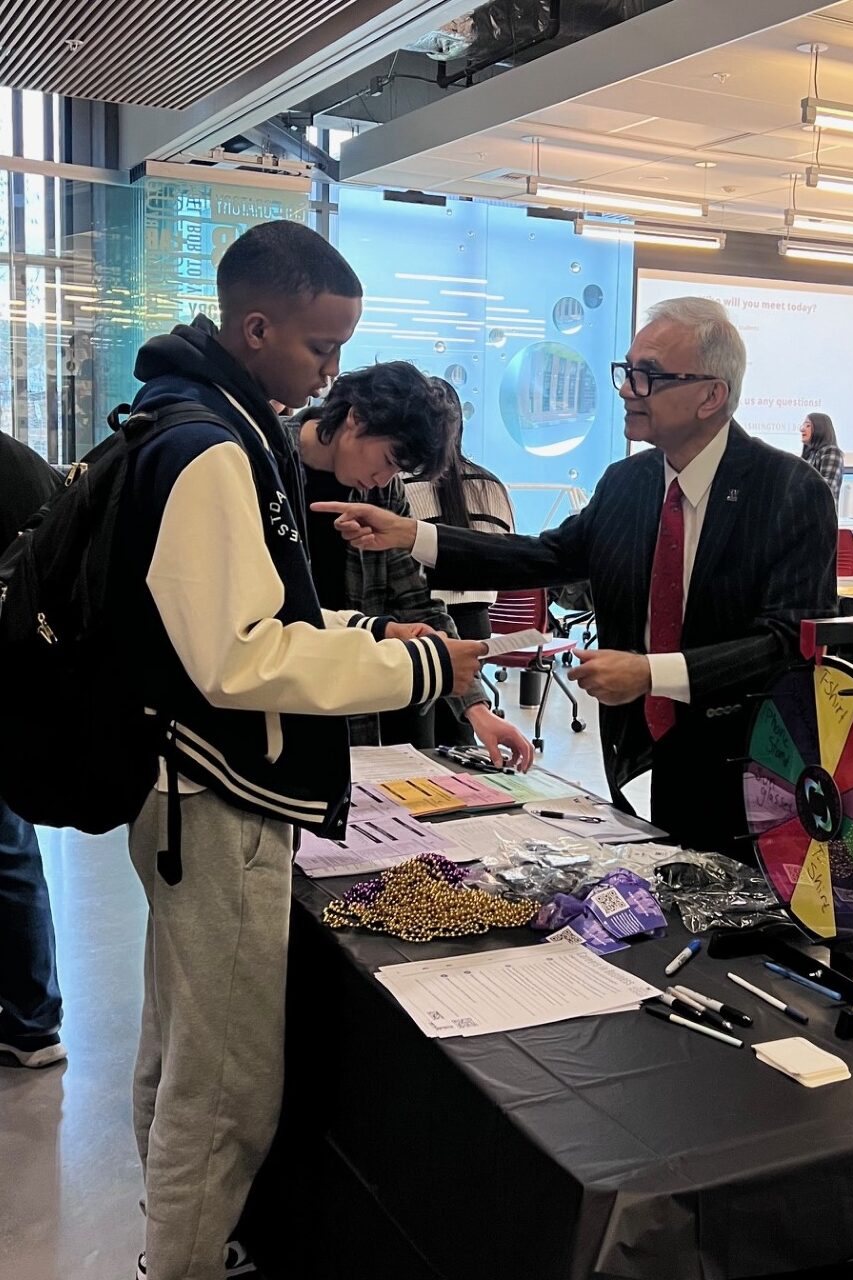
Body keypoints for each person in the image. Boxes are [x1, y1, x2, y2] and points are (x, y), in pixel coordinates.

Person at [115, 220, 486, 1280]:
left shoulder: (211, 422)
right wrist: (417, 674)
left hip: (194, 784)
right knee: (225, 1080)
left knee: (182, 1042)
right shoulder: (206, 446)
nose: (332, 374)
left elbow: (267, 616)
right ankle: (182, 1261)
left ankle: (172, 1237)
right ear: (258, 324)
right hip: (211, 792)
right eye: (323, 350)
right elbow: (239, 658)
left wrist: (373, 637)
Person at [315, 297, 838, 856]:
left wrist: (650, 674)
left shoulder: (787, 492)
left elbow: (788, 642)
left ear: (712, 395)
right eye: (627, 370)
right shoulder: (627, 483)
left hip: (752, 763)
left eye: (649, 376)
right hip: (639, 756)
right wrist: (410, 534)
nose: (627, 389)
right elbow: (547, 556)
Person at [289, 364, 532, 767]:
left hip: (349, 704)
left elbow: (416, 600)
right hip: (271, 702)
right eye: (388, 460)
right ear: (356, 417)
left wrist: (477, 709)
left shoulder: (385, 495)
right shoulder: (263, 458)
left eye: (397, 471)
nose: (385, 480)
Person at [0, 433, 66, 1069]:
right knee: (10, 853)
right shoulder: (25, 465)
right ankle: (31, 1019)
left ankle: (28, 1018)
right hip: (22, 688)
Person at [405, 378, 517, 747]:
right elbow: (507, 559)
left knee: (416, 741)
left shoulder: (397, 485)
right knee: (463, 739)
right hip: (476, 623)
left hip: (417, 627)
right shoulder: (491, 484)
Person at [801, 412, 844, 504]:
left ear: (820, 429)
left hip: (819, 516)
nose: (802, 429)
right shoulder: (809, 455)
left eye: (808, 425)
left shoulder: (831, 452)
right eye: (803, 425)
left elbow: (826, 489)